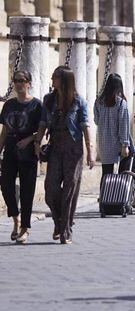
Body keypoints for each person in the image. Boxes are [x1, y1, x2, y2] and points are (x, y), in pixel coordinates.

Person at [34, 66, 95, 244]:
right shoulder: (49, 100)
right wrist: (38, 143)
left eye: (55, 77)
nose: (52, 80)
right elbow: (43, 123)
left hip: (73, 149)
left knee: (70, 189)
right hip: (55, 147)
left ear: (65, 80)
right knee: (50, 189)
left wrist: (90, 151)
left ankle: (65, 229)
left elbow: (85, 126)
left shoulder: (78, 101)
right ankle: (59, 221)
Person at [0, 70, 42, 244]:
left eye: (22, 81)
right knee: (6, 186)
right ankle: (15, 217)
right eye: (15, 80)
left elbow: (42, 130)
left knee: (27, 191)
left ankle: (25, 228)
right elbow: (5, 130)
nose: (18, 84)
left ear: (29, 83)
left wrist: (30, 139)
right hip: (10, 151)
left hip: (28, 153)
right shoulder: (9, 105)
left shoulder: (36, 105)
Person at [94, 73, 133, 184]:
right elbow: (123, 125)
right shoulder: (121, 103)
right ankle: (119, 197)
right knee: (123, 173)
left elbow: (96, 121)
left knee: (106, 173)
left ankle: (105, 198)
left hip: (104, 142)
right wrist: (125, 145)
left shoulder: (98, 102)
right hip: (119, 143)